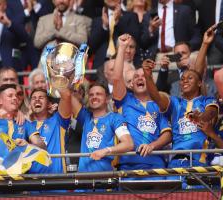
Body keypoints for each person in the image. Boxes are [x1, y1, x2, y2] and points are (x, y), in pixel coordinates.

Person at [142, 26, 219, 187]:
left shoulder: (207, 100)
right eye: (182, 79)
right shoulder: (176, 103)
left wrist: (200, 117)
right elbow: (156, 97)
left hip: (200, 162)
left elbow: (211, 113)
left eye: (189, 79)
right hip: (176, 164)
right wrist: (148, 76)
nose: (184, 80)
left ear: (199, 83)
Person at [112, 34, 172, 178]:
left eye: (143, 76)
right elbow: (116, 78)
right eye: (136, 77)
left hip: (155, 164)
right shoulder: (125, 101)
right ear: (131, 84)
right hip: (127, 163)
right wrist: (121, 48)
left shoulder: (159, 104)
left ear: (150, 81)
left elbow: (168, 134)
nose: (140, 78)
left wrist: (152, 146)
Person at [71, 82, 134, 173]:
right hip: (83, 179)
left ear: (107, 99)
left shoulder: (115, 118)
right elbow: (67, 95)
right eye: (91, 95)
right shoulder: (85, 116)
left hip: (105, 178)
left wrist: (106, 151)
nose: (94, 97)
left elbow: (128, 144)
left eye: (98, 94)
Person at [28, 87, 71, 174]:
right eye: (34, 98)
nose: (37, 100)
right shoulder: (25, 125)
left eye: (41, 98)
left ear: (49, 104)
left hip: (57, 181)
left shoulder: (58, 121)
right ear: (30, 105)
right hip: (31, 182)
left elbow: (66, 96)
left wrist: (58, 82)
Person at [89, 0, 140, 69]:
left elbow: (134, 39)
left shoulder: (131, 16)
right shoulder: (98, 20)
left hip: (124, 62)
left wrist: (118, 21)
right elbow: (91, 46)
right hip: (101, 65)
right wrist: (105, 26)